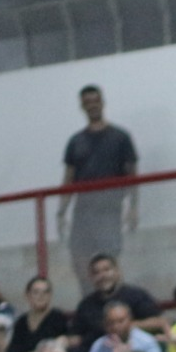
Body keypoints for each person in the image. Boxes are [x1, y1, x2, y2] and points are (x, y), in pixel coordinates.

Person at [59, 85, 138, 277]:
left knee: (109, 258)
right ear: (82, 106)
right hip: (83, 209)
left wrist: (133, 207)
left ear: (102, 103)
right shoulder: (75, 141)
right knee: (79, 257)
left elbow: (133, 175)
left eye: (95, 101)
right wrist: (61, 213)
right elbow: (68, 179)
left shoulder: (120, 137)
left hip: (109, 209)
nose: (92, 106)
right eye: (87, 102)